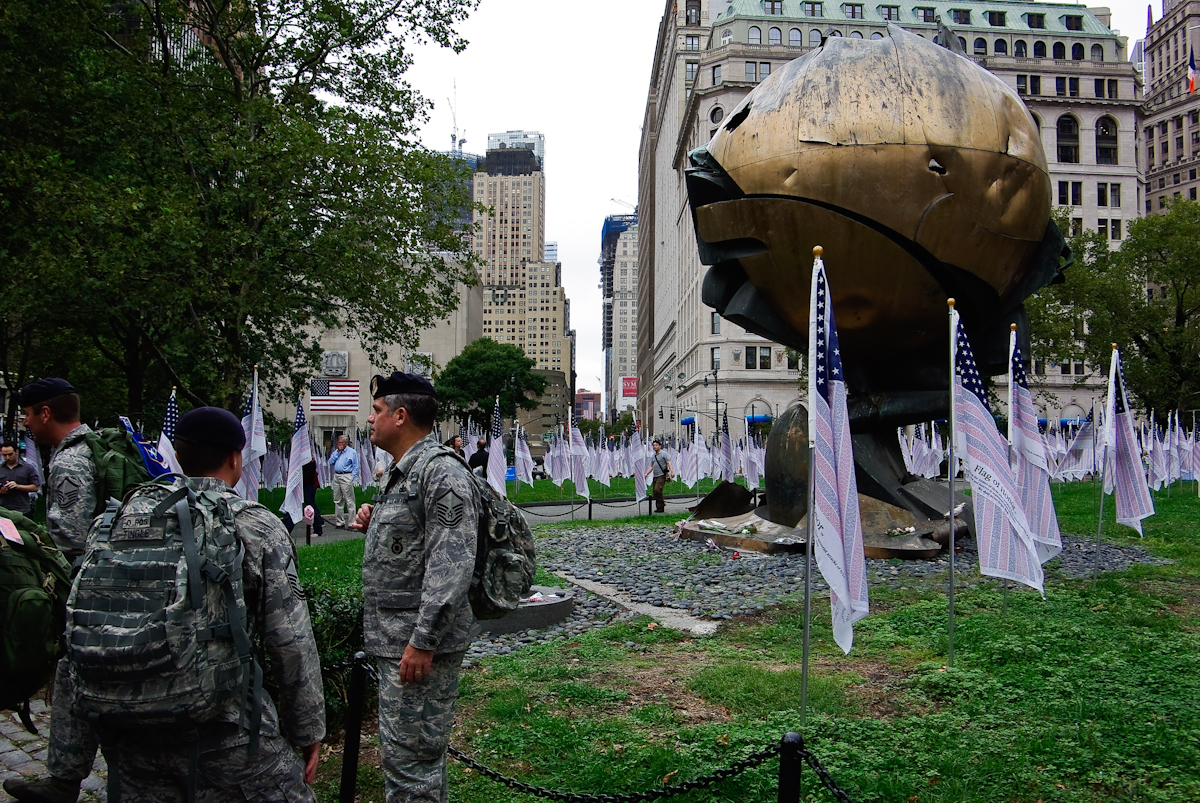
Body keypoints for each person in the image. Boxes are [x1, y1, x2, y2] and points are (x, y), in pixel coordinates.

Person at [86, 407, 325, 801]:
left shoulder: (115, 521)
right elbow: (291, 641)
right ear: (236, 458)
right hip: (226, 732)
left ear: (177, 456)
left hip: (130, 736)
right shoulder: (256, 526)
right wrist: (309, 729)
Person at [351, 372, 479, 803]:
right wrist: (377, 521)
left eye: (376, 410)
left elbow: (452, 563)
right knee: (415, 763)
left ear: (400, 415)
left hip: (418, 647)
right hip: (400, 641)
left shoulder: (441, 473)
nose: (370, 420)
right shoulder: (406, 473)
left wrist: (423, 641)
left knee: (410, 767)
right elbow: (416, 542)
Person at [5, 378, 100, 803]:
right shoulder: (96, 448)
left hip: (92, 590)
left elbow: (70, 540)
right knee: (77, 681)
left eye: (27, 413)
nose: (24, 422)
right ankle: (63, 779)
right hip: (111, 586)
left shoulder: (71, 461)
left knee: (79, 679)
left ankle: (64, 783)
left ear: (45, 412)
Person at [283, 460, 324, 537]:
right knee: (293, 506)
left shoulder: (310, 462)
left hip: (308, 486)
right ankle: (287, 528)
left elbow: (307, 475)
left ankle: (318, 529)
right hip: (301, 486)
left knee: (310, 506)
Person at [327, 434, 358, 529]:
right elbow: (330, 462)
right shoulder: (336, 452)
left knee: (349, 500)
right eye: (338, 442)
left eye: (341, 442)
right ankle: (339, 521)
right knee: (337, 500)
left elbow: (356, 467)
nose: (339, 444)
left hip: (346, 475)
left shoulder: (352, 452)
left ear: (346, 443)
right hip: (337, 476)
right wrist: (337, 452)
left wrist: (351, 478)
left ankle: (352, 522)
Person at [0, 441, 40, 515]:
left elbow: (35, 487)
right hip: (3, 509)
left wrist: (18, 486)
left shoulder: (28, 468)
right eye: (4, 455)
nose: (7, 458)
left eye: (10, 454)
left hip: (22, 509)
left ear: (16, 452)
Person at [644, 439, 673, 513]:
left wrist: (672, 471)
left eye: (656, 445)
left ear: (660, 446)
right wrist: (646, 473)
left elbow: (668, 462)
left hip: (662, 475)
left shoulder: (663, 454)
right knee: (655, 492)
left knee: (658, 489)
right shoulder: (654, 456)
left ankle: (661, 505)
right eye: (653, 445)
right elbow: (651, 466)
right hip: (655, 475)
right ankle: (659, 507)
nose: (654, 447)